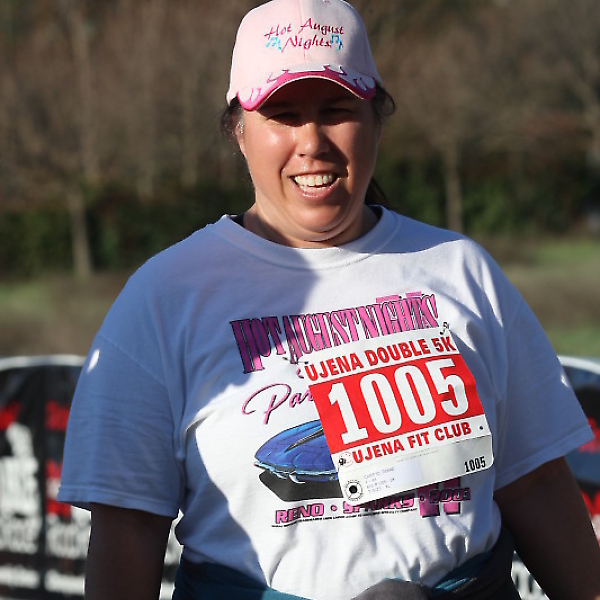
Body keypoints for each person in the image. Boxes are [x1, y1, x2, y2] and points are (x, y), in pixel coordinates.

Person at [58, 0, 600, 599]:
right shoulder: (163, 300)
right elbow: (128, 528)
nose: (311, 142)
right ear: (239, 131)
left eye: (336, 111)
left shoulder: (460, 270)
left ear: (376, 120)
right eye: (283, 115)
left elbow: (534, 484)